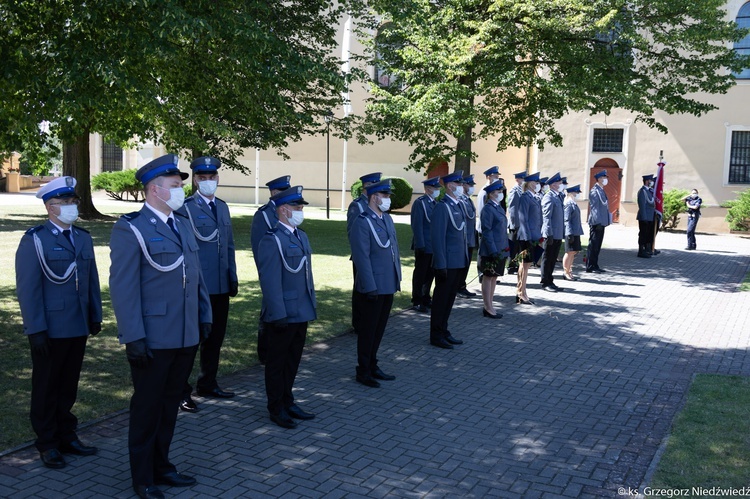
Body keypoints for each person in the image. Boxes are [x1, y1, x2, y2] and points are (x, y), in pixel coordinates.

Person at [109, 154, 212, 499]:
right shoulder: (131, 228)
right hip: (154, 337)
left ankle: (162, 465)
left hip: (184, 334)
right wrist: (133, 337)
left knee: (169, 407)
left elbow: (195, 276)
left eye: (180, 184)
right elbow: (124, 288)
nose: (181, 189)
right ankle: (142, 477)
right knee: (147, 408)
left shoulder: (181, 223)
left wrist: (204, 315)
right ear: (154, 190)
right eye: (175, 185)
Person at [15, 176, 102, 470]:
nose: (72, 207)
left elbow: (91, 281)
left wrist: (95, 314)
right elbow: (28, 289)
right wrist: (35, 329)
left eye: (73, 201)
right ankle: (48, 443)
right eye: (65, 203)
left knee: (68, 385)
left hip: (77, 324)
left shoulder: (83, 238)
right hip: (50, 328)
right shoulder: (35, 240)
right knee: (46, 387)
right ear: (51, 207)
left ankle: (67, 434)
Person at [178, 157, 238, 414]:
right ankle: (182, 392)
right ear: (194, 180)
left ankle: (208, 382)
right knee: (192, 340)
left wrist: (232, 277)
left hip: (221, 285)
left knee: (215, 339)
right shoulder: (186, 208)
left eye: (211, 177)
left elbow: (229, 245)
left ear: (217, 179)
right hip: (198, 286)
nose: (207, 182)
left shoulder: (222, 208)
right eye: (202, 178)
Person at [257, 186, 317, 429]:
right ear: (283, 210)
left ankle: (288, 399)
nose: (301, 211)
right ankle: (275, 407)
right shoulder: (272, 240)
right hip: (283, 313)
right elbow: (269, 281)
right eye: (297, 207)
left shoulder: (300, 236)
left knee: (293, 361)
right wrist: (278, 313)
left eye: (301, 207)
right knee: (276, 363)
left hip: (301, 309)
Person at [349, 179, 402, 388]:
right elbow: (361, 257)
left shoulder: (386, 219)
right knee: (368, 329)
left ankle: (373, 363)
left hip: (388, 282)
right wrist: (369, 286)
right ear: (374, 197)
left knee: (379, 328)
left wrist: (396, 278)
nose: (388, 199)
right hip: (373, 285)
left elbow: (393, 251)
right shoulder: (362, 221)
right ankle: (363, 369)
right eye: (385, 195)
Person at [251, 175, 291, 365]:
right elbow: (260, 248)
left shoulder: (287, 210)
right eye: (283, 192)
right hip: (272, 270)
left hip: (289, 271)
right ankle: (264, 352)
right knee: (268, 308)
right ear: (274, 193)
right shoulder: (264, 215)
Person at [429, 170, 468, 349]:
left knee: (450, 299)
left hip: (458, 260)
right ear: (451, 186)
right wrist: (440, 264)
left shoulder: (457, 204)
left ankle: (444, 330)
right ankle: (436, 334)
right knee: (441, 299)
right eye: (459, 184)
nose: (462, 187)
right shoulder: (442, 206)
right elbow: (438, 238)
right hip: (447, 263)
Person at [347, 172, 382, 335]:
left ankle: (368, 321)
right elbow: (352, 232)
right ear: (365, 187)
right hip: (362, 255)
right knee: (360, 289)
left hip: (376, 255)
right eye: (372, 185)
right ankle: (358, 323)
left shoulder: (376, 204)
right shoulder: (357, 205)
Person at [478, 180, 509, 319]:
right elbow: (487, 231)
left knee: (494, 276)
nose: (501, 194)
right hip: (491, 250)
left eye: (501, 191)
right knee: (488, 277)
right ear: (491, 194)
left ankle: (490, 304)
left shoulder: (498, 207)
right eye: (498, 191)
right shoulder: (488, 209)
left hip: (500, 248)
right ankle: (487, 307)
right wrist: (493, 250)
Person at [410, 176, 440, 313]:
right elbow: (417, 225)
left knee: (430, 274)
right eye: (435, 188)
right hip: (424, 245)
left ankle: (426, 297)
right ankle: (417, 300)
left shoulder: (434, 203)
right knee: (420, 274)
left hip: (433, 245)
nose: (437, 190)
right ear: (428, 189)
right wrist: (420, 244)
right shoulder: (420, 203)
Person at [516, 173, 542, 304]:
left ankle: (523, 291)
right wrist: (527, 237)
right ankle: (521, 292)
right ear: (528, 183)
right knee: (523, 265)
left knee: (527, 265)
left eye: (537, 182)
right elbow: (523, 219)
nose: (537, 185)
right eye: (534, 182)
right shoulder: (525, 197)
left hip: (533, 235)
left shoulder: (534, 197)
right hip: (526, 237)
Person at [540, 173, 565, 292]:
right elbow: (546, 217)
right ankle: (545, 282)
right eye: (559, 183)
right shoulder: (549, 197)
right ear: (553, 184)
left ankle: (550, 279)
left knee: (553, 258)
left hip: (557, 233)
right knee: (547, 258)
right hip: (551, 233)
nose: (561, 185)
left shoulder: (558, 196)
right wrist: (548, 233)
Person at [586, 170, 611, 273]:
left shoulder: (600, 190)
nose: (606, 179)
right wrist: (598, 222)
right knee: (593, 245)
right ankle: (590, 266)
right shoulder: (594, 191)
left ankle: (595, 265)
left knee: (598, 245)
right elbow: (595, 208)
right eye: (604, 177)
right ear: (599, 179)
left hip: (601, 222)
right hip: (597, 223)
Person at [457, 174, 478, 298]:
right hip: (464, 238)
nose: (471, 187)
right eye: (469, 185)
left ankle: (462, 286)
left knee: (467, 264)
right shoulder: (461, 200)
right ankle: (459, 287)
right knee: (462, 265)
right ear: (464, 185)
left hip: (469, 238)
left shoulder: (468, 200)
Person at [506, 170, 526, 275]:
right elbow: (513, 209)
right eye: (522, 178)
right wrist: (515, 225)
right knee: (513, 246)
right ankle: (510, 266)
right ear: (517, 179)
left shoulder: (519, 190)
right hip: (515, 224)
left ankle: (515, 264)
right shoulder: (514, 191)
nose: (523, 180)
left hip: (519, 224)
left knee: (517, 246)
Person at [562, 185, 584, 281]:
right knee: (569, 252)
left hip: (575, 231)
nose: (577, 195)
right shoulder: (568, 204)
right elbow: (567, 220)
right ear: (571, 193)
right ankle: (565, 271)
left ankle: (569, 270)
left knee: (573, 252)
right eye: (576, 193)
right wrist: (569, 233)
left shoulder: (573, 203)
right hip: (570, 232)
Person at [636, 174, 655, 259]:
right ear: (647, 181)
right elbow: (642, 205)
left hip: (649, 216)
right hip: (645, 217)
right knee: (643, 234)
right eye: (651, 180)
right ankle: (641, 251)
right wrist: (644, 217)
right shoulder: (642, 191)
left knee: (647, 234)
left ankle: (646, 249)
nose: (652, 182)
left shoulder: (649, 191)